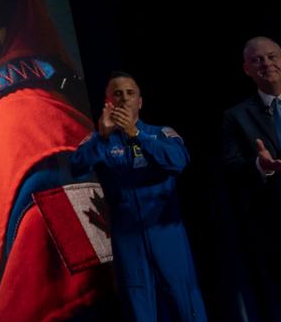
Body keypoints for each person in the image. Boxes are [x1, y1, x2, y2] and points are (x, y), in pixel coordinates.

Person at [69, 73, 205, 321]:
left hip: (167, 235)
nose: (124, 98)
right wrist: (102, 136)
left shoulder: (160, 133)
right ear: (108, 102)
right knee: (138, 304)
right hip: (128, 238)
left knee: (182, 299)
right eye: (117, 93)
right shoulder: (99, 140)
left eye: (130, 93)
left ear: (140, 102)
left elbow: (178, 162)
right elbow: (76, 166)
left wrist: (136, 135)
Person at [221, 36, 281, 319]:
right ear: (246, 69)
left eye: (271, 56)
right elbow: (231, 166)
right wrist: (259, 165)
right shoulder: (236, 116)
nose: (266, 64)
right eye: (257, 60)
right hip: (274, 224)